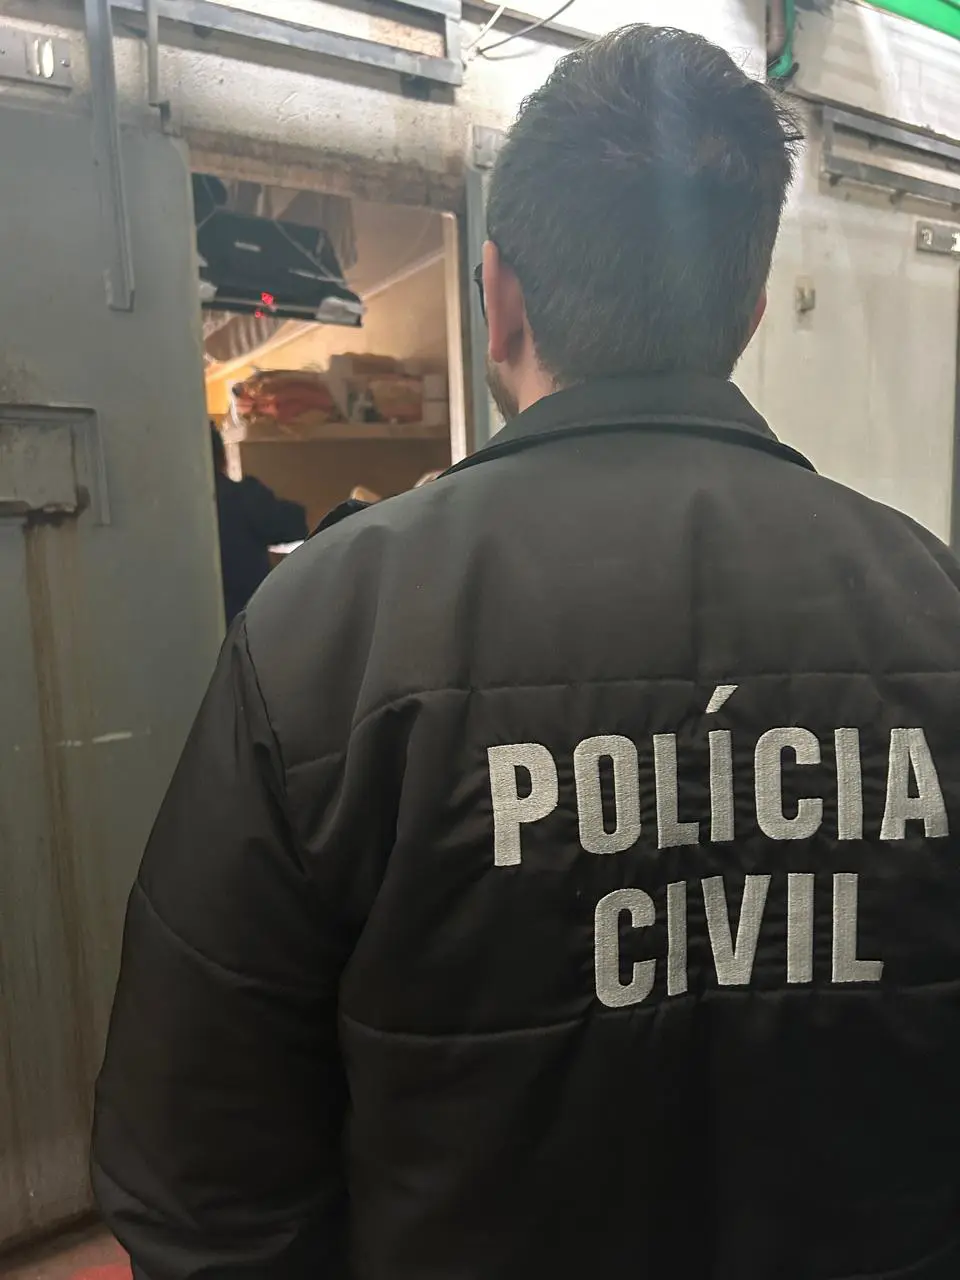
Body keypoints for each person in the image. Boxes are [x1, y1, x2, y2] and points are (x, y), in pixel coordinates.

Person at [93, 26, 960, 1280]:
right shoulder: (934, 609)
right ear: (750, 309)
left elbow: (197, 1165)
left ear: (498, 295)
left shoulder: (328, 629)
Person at [209, 424, 308, 624]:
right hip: (247, 626)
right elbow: (296, 524)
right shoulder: (241, 499)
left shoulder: (167, 514)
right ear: (222, 458)